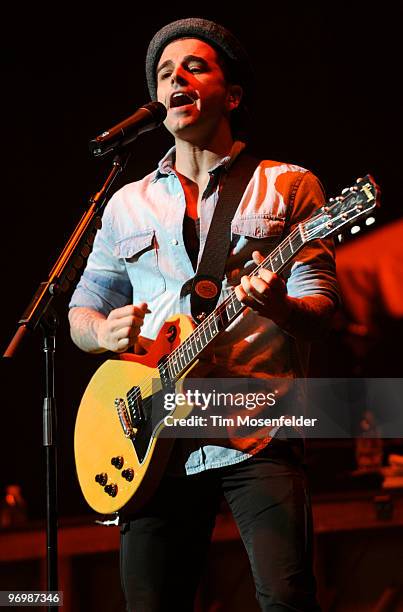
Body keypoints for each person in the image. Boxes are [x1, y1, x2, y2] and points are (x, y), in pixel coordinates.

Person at [69, 17, 339, 611]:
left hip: (258, 431)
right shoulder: (125, 202)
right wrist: (104, 331)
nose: (177, 78)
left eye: (194, 66)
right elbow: (81, 308)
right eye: (165, 74)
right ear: (158, 102)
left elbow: (321, 309)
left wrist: (282, 306)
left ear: (232, 94)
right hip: (151, 433)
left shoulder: (288, 185)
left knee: (287, 600)